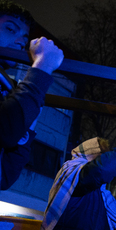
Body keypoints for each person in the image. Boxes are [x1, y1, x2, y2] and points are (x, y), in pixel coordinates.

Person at [0, 0, 64, 190]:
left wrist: (28, 121)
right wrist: (42, 67)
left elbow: (4, 177)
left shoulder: (6, 86)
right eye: (11, 29)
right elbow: (7, 132)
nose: (22, 42)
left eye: (24, 36)